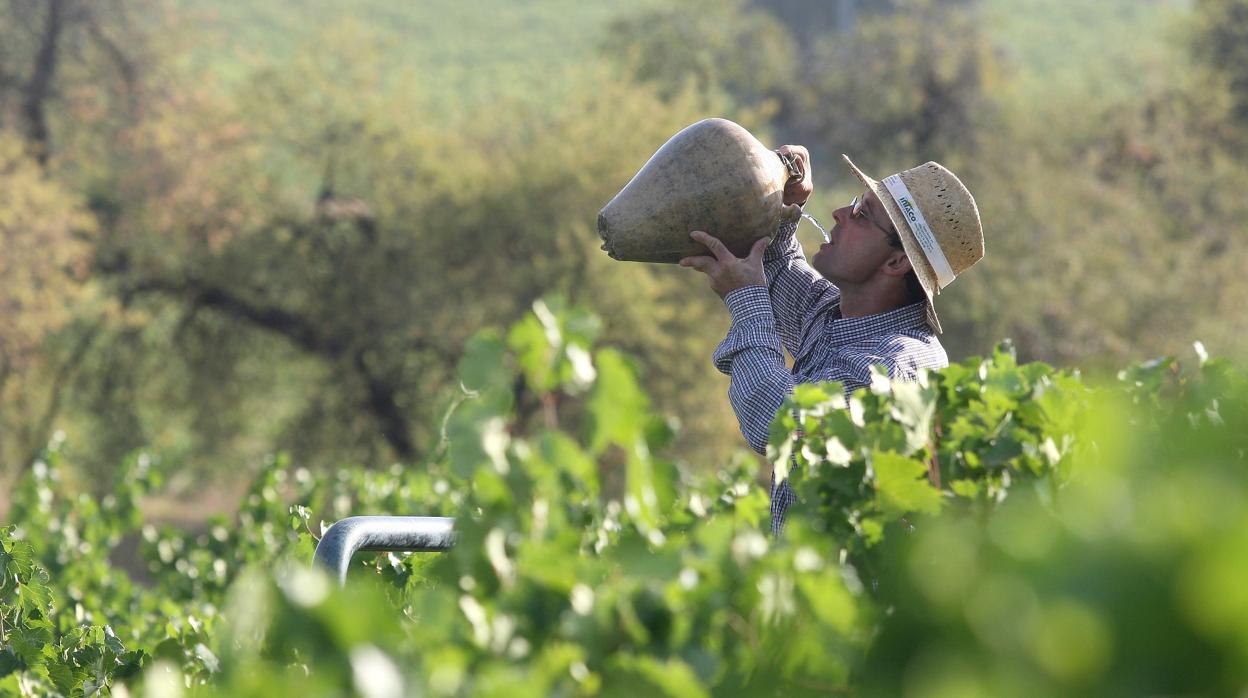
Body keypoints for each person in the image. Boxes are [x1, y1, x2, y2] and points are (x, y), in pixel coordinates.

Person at [679, 147, 985, 535]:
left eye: (862, 215)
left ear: (895, 263)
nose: (841, 213)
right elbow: (778, 268)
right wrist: (782, 206)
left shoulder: (891, 370)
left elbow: (773, 422)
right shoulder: (839, 314)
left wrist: (744, 298)